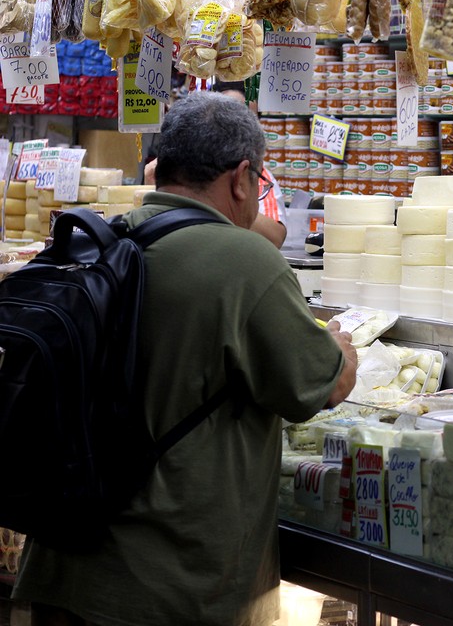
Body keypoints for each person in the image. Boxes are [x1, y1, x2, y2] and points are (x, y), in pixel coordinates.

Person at [13, 93, 358, 626]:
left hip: (64, 569)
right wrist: (341, 349)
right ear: (242, 178)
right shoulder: (244, 260)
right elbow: (322, 385)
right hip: (173, 588)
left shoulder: (105, 238)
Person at [144, 82, 289, 249]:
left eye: (247, 118)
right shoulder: (175, 164)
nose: (238, 127)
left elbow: (275, 237)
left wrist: (217, 197)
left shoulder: (256, 173)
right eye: (227, 118)